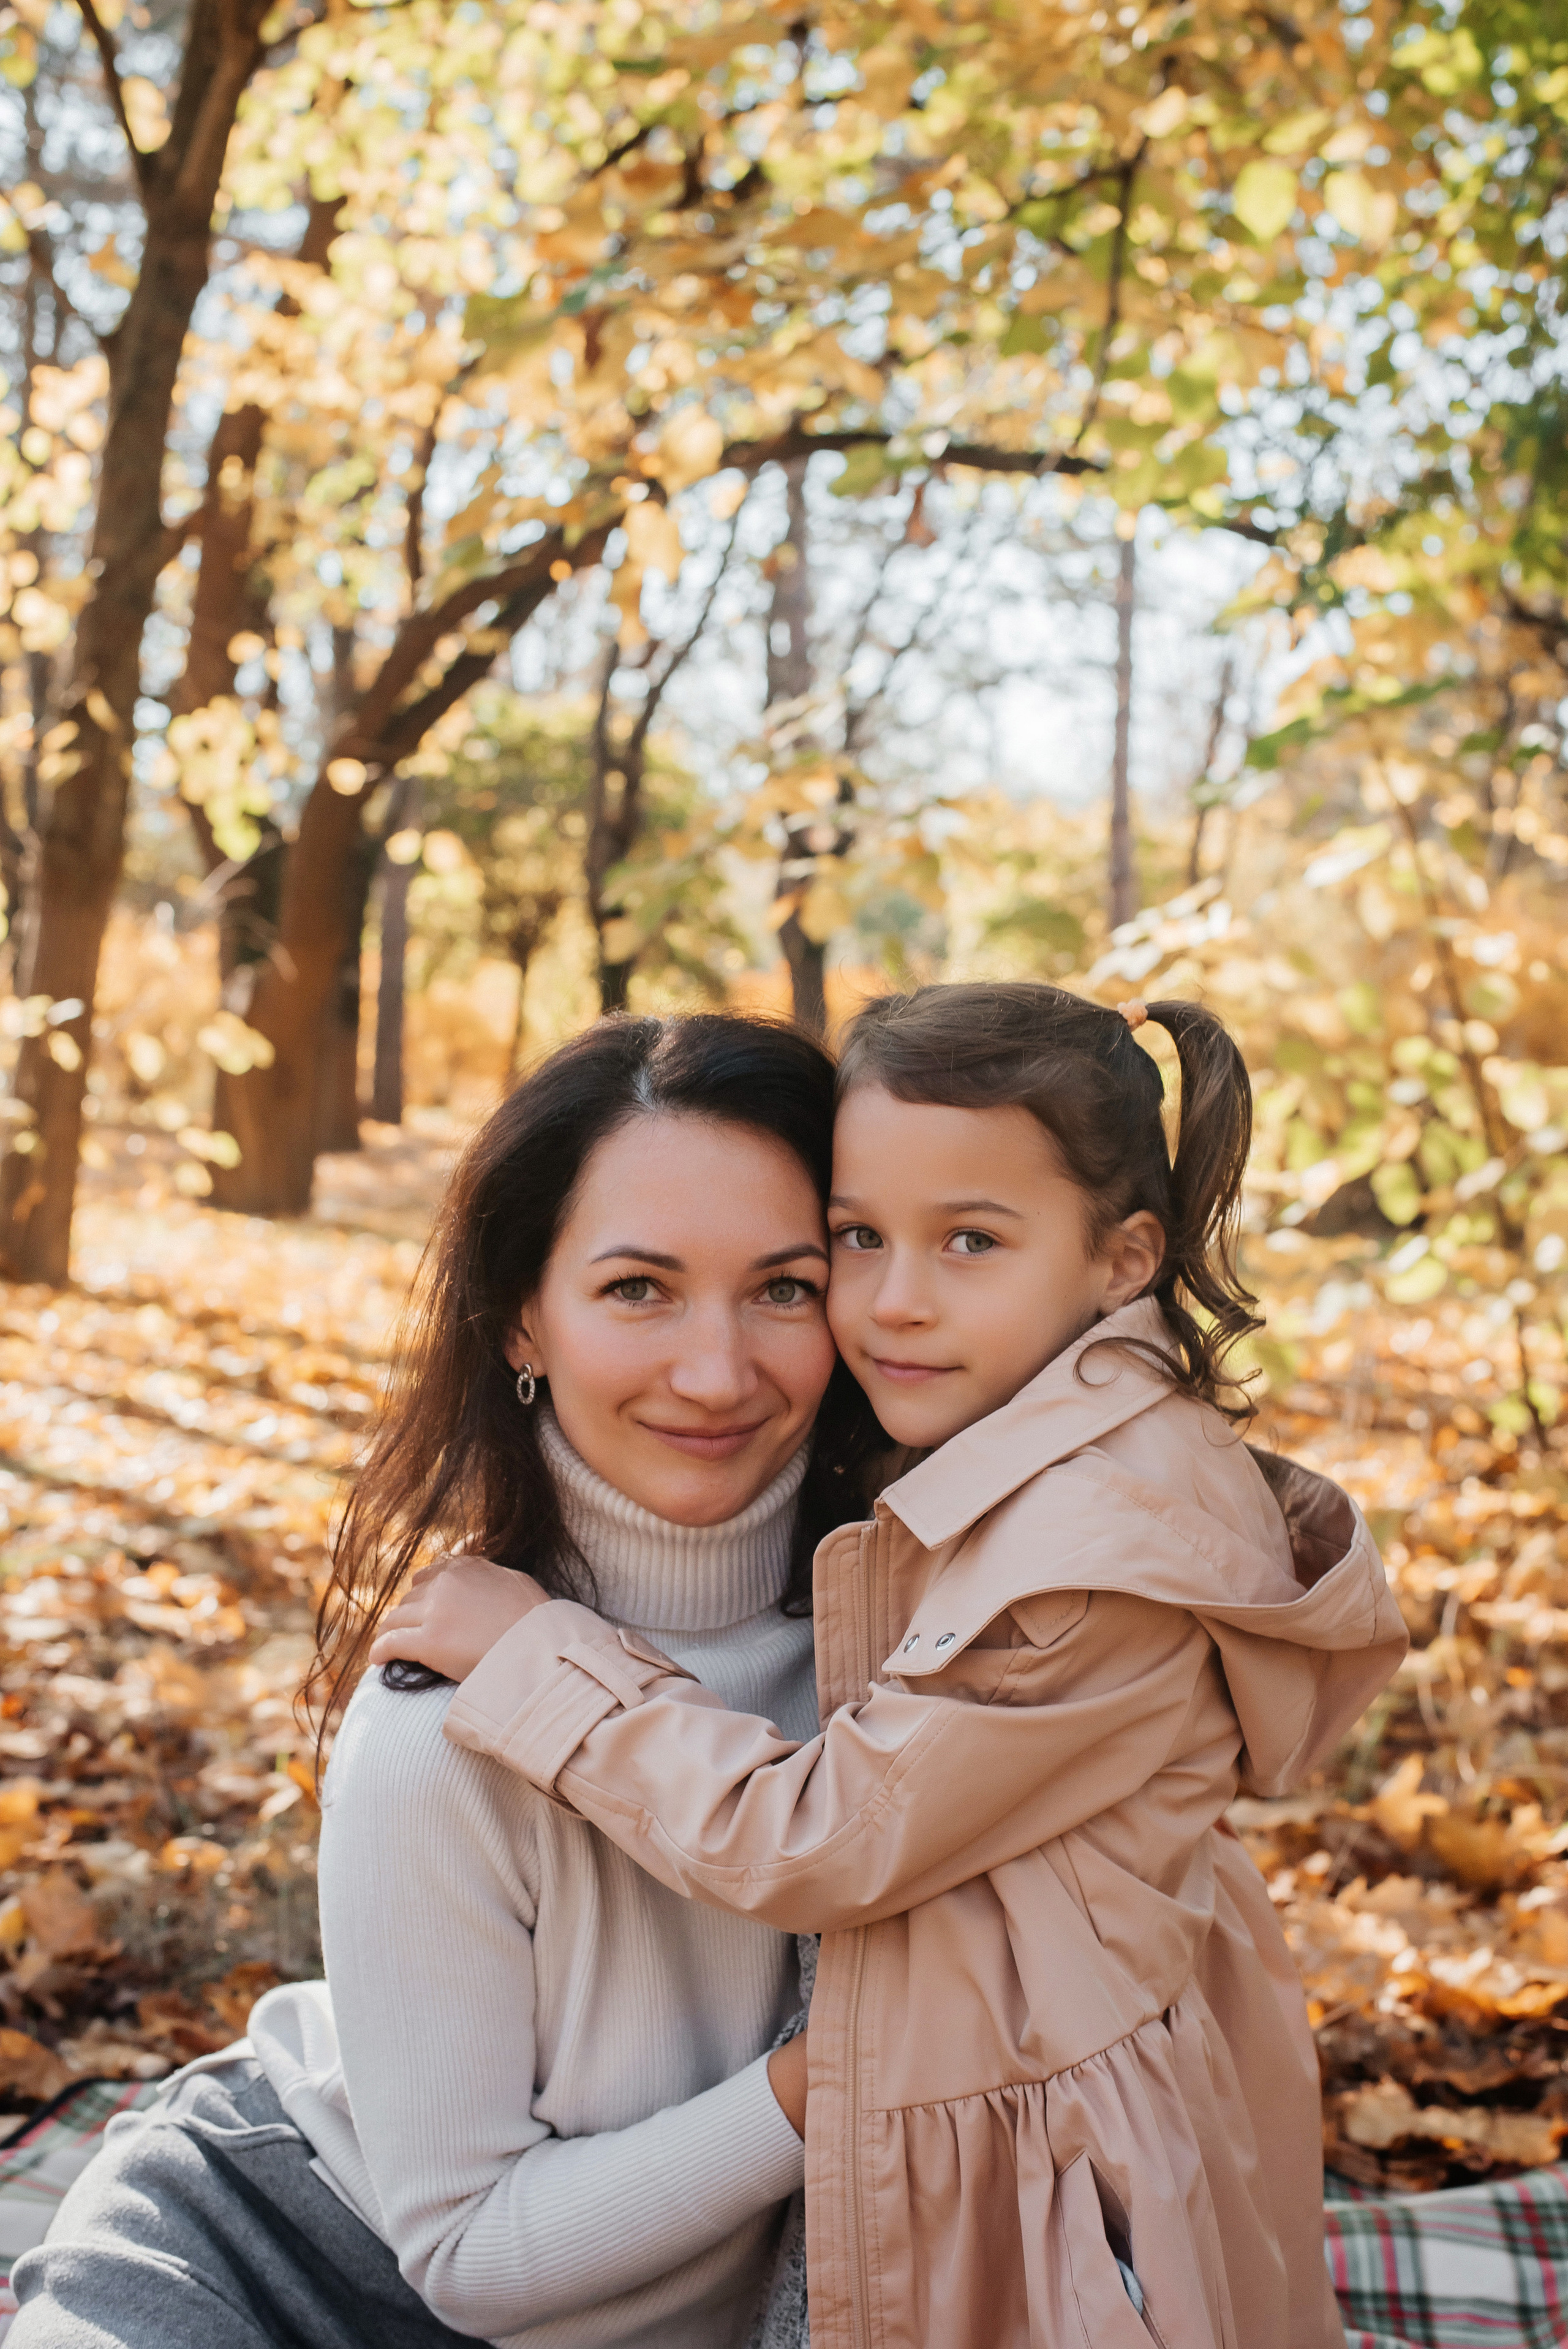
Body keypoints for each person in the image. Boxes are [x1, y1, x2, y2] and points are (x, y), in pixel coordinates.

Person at [375, 982, 1409, 2349]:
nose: (895, 1305)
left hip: (1061, 2177)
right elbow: (465, 2241)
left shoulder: (1077, 1561)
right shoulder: (1005, 1480)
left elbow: (822, 1836)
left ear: (1121, 1258)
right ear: (519, 1320)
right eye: (858, 1241)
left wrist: (541, 1664)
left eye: (968, 1241)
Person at [7, 1013, 882, 2349]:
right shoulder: (437, 1722)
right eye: (637, 1289)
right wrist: (815, 2093)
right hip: (302, 2262)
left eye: (785, 1287)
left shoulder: (916, 1661)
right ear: (524, 1317)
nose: (716, 1372)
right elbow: (469, 2251)